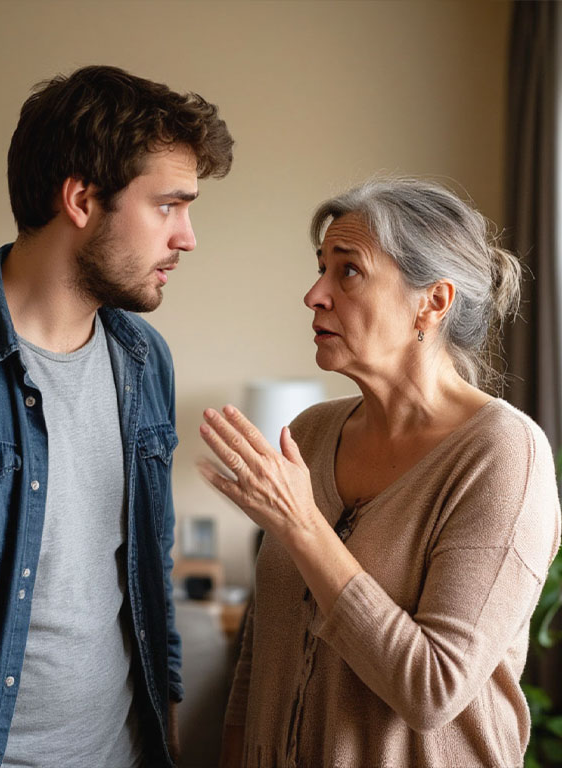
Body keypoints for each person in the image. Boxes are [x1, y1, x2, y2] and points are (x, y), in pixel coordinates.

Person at [0, 65, 232, 768]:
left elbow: (146, 574)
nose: (187, 237)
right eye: (168, 205)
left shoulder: (143, 361)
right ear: (80, 198)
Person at [199, 178, 561, 767]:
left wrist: (302, 527)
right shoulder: (312, 432)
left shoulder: (503, 454)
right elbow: (260, 649)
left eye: (348, 272)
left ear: (433, 302)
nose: (314, 294)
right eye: (321, 268)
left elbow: (433, 690)